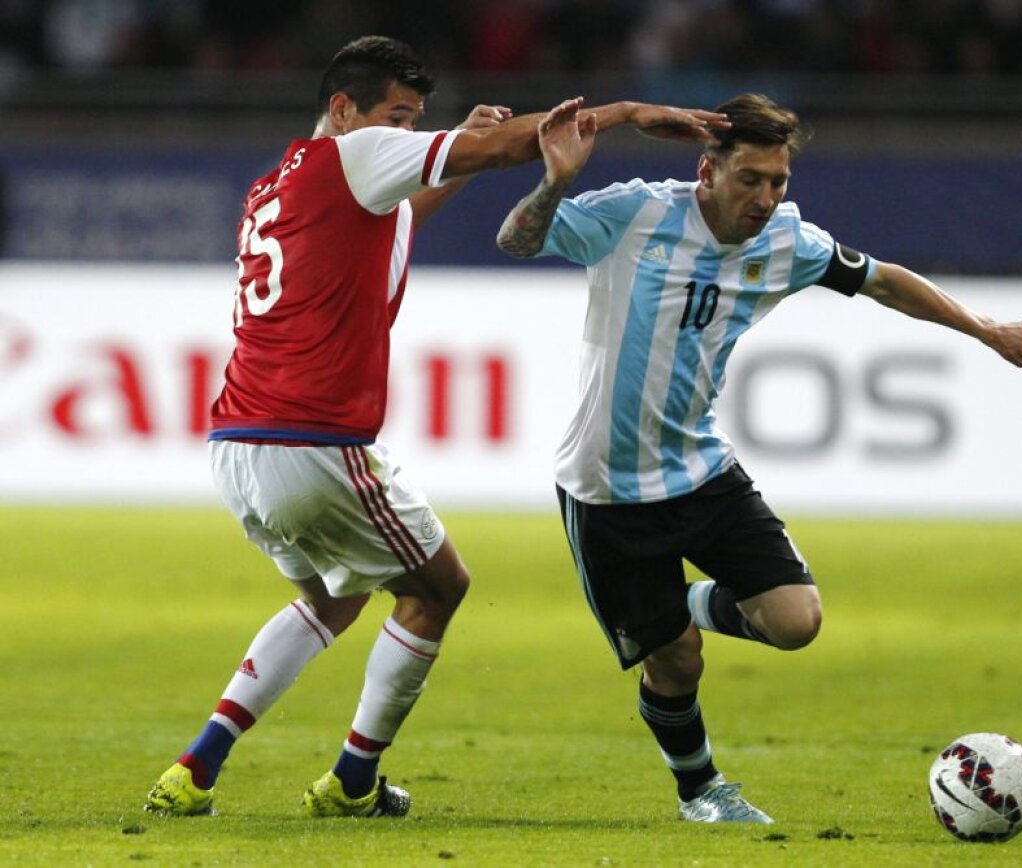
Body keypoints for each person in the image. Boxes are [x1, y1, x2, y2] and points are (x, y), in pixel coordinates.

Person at [144, 35, 726, 819]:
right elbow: (506, 148)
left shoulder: (278, 185)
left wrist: (451, 153)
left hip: (239, 443)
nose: (407, 133)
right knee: (439, 588)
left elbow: (395, 223)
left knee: (332, 599)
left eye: (417, 121)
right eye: (397, 117)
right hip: (317, 442)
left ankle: (196, 767)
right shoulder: (357, 156)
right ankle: (353, 781)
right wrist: (622, 112)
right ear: (344, 110)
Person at [496, 92, 1022, 823]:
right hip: (605, 486)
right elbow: (517, 241)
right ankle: (701, 791)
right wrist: (554, 181)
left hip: (701, 470)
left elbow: (884, 281)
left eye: (779, 183)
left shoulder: (787, 243)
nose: (767, 198)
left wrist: (987, 328)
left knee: (796, 621)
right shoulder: (636, 215)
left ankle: (665, 610)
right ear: (708, 170)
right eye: (752, 180)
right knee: (676, 662)